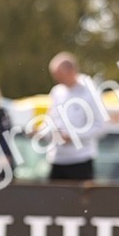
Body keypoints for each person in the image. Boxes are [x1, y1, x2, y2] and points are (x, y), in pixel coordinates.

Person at [45, 52, 108, 181]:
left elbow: (101, 127)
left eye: (60, 75)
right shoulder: (57, 92)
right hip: (57, 159)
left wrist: (73, 136)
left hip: (80, 160)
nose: (58, 80)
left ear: (72, 71)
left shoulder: (90, 92)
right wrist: (41, 131)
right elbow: (50, 120)